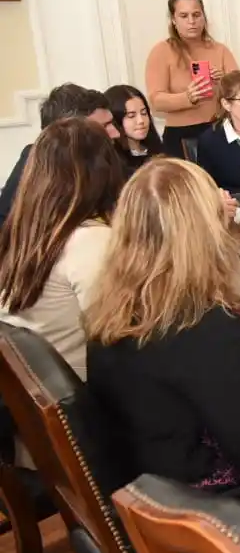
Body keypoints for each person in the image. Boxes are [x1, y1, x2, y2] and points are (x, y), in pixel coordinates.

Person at [85, 158, 240, 491]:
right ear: (204, 233)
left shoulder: (110, 310)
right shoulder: (209, 330)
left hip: (143, 490)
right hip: (208, 516)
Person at [0, 119, 125, 380]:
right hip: (86, 394)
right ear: (102, 172)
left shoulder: (24, 231)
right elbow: (119, 333)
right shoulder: (90, 241)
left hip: (36, 391)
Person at [0, 84, 120, 227]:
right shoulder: (34, 164)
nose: (116, 133)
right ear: (69, 131)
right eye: (104, 126)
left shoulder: (105, 159)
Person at [145, 0, 239, 158]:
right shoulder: (162, 51)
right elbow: (155, 101)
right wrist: (187, 97)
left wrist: (223, 82)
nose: (191, 21)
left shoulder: (220, 50)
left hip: (219, 129)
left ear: (204, 17)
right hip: (180, 136)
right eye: (184, 16)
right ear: (173, 20)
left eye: (196, 15)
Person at [105, 84, 163, 175]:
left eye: (144, 113)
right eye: (131, 116)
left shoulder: (157, 151)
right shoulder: (113, 163)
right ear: (115, 119)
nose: (141, 121)